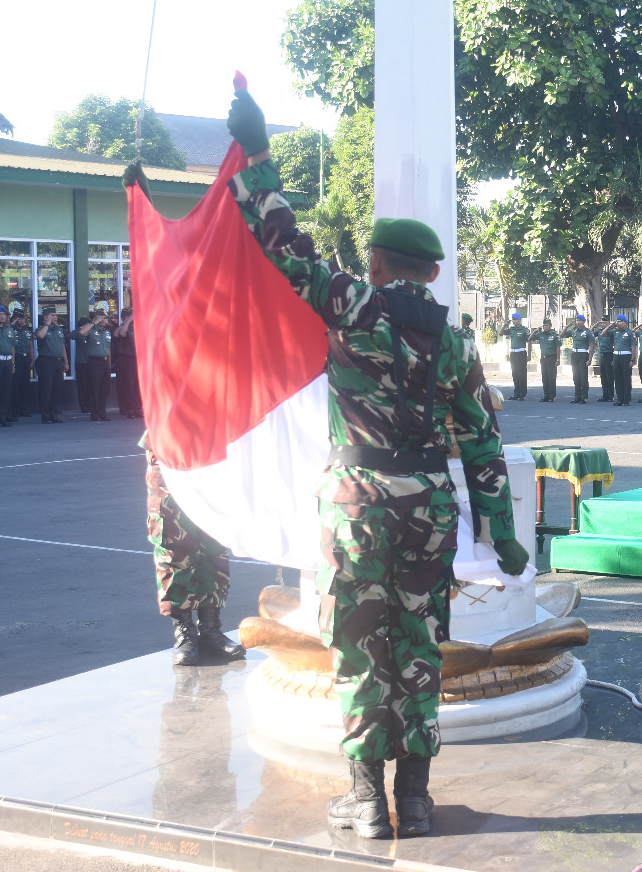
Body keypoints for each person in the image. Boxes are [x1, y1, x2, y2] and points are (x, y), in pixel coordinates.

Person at [220, 85, 528, 840]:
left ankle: (363, 799)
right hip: (426, 504)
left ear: (378, 261)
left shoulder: (352, 305)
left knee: (358, 648)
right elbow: (482, 443)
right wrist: (501, 530)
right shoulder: (455, 344)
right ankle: (416, 799)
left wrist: (259, 156)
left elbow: (282, 241)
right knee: (419, 644)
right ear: (429, 273)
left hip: (356, 498)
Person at [142, 441, 246, 667]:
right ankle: (184, 633)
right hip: (171, 443)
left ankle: (211, 630)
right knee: (174, 546)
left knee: (213, 547)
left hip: (210, 445)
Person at [73, 310, 113, 420]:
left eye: (104, 318)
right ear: (95, 319)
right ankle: (94, 414)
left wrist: (109, 365)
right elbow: (81, 333)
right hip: (94, 362)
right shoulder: (91, 330)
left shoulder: (107, 332)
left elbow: (108, 349)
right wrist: (93, 323)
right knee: (94, 388)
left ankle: (102, 412)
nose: (104, 320)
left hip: (105, 362)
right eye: (101, 318)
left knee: (105, 389)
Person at [34, 308, 69, 423]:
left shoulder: (59, 330)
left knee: (57, 390)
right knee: (46, 390)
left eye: (55, 315)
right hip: (46, 361)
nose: (55, 317)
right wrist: (47, 324)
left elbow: (62, 346)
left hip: (58, 362)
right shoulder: (41, 329)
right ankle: (45, 416)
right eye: (52, 315)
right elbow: (40, 336)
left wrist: (66, 362)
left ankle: (55, 414)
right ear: (45, 317)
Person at [115, 309, 142, 418]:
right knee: (129, 386)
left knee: (137, 385)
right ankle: (130, 409)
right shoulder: (126, 327)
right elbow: (120, 333)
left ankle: (137, 408)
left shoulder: (138, 327)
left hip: (138, 359)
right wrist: (128, 320)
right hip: (128, 359)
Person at [11, 310, 36, 417]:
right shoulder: (11, 330)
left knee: (25, 385)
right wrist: (12, 322)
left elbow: (30, 347)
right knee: (15, 386)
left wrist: (31, 361)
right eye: (19, 319)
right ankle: (15, 409)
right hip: (16, 358)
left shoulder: (27, 331)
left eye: (23, 319)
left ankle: (24, 409)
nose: (22, 321)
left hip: (25, 359)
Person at [503, 312, 530, 401]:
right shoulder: (511, 329)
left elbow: (529, 342)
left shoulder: (524, 330)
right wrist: (505, 325)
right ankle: (516, 393)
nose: (513, 321)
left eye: (515, 319)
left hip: (521, 353)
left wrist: (529, 355)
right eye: (513, 319)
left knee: (521, 374)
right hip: (513, 354)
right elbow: (501, 333)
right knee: (515, 374)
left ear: (519, 320)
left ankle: (522, 394)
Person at [533, 319, 562, 402]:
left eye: (547, 325)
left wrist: (558, 359)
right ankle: (546, 395)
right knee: (544, 377)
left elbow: (558, 348)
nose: (545, 327)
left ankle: (552, 396)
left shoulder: (554, 335)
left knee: (551, 377)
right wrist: (535, 331)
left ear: (550, 326)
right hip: (543, 358)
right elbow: (530, 338)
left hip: (552, 358)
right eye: (544, 325)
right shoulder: (541, 335)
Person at [610, 314, 634, 405]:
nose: (618, 323)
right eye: (618, 321)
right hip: (616, 356)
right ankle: (619, 399)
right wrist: (611, 325)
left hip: (626, 356)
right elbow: (603, 334)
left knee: (626, 378)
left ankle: (626, 400)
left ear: (626, 323)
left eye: (620, 321)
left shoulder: (630, 333)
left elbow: (633, 347)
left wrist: (632, 359)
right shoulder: (615, 332)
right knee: (617, 378)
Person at [569, 314, 593, 403]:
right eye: (577, 320)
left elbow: (591, 346)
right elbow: (562, 335)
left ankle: (584, 397)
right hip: (574, 354)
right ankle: (577, 397)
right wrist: (567, 326)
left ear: (584, 322)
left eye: (580, 320)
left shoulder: (587, 332)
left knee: (583, 377)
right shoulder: (574, 331)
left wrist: (589, 359)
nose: (578, 322)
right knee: (576, 377)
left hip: (583, 355)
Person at [593, 315, 617, 402]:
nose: (603, 324)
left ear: (609, 322)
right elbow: (589, 334)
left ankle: (611, 395)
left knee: (609, 376)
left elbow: (615, 343)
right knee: (603, 376)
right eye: (602, 322)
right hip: (601, 354)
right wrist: (595, 325)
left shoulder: (612, 331)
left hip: (609, 354)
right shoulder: (599, 331)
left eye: (605, 322)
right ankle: (604, 395)